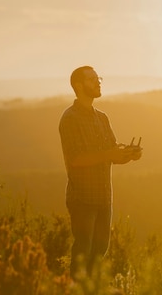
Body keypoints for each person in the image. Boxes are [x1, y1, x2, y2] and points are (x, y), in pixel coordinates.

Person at [59, 66, 142, 277]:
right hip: (83, 199)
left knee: (99, 253)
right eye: (92, 79)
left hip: (104, 198)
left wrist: (129, 154)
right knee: (83, 253)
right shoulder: (70, 119)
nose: (98, 82)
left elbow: (111, 154)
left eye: (98, 78)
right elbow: (76, 159)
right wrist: (109, 154)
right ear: (79, 85)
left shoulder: (102, 118)